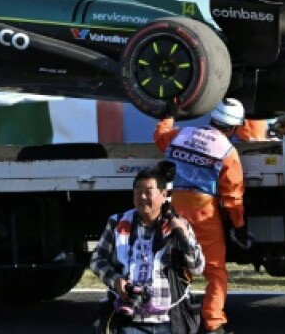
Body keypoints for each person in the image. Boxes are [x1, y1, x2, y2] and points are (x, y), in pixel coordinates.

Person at [154, 99, 247, 334]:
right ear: (234, 127)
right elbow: (232, 197)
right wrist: (239, 225)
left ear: (212, 117)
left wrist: (169, 115)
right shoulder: (228, 152)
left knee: (176, 266)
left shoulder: (182, 135)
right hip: (204, 213)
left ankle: (172, 318)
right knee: (215, 271)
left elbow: (160, 136)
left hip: (173, 210)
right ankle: (214, 324)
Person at [91, 162, 204, 334]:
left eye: (148, 191)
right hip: (129, 320)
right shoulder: (117, 222)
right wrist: (115, 280)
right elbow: (97, 260)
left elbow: (197, 268)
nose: (142, 196)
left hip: (169, 319)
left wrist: (184, 236)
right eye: (137, 190)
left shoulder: (178, 226)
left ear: (163, 194)